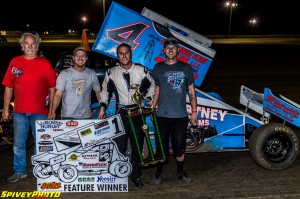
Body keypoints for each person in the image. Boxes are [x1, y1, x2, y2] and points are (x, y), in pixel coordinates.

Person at [2, 32, 56, 183]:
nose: (30, 46)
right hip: (19, 112)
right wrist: (6, 109)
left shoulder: (45, 64)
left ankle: (41, 171)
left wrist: (52, 110)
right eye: (27, 43)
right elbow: (8, 87)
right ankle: (19, 171)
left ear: (37, 46)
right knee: (19, 144)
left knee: (42, 143)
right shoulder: (15, 62)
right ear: (22, 46)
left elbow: (52, 88)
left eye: (33, 44)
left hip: (40, 112)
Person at [99, 43, 155, 187]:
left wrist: (147, 100)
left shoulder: (141, 70)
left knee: (137, 145)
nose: (124, 56)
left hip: (137, 111)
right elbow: (105, 91)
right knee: (120, 145)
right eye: (121, 53)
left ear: (131, 54)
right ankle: (120, 174)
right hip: (121, 113)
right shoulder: (111, 72)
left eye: (127, 53)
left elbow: (153, 86)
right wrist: (102, 107)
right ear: (117, 56)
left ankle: (136, 175)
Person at [151, 37, 198, 183]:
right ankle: (159, 172)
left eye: (173, 48)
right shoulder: (158, 68)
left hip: (180, 116)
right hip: (162, 116)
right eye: (167, 48)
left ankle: (180, 172)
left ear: (178, 50)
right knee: (161, 147)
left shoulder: (186, 68)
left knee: (180, 146)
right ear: (164, 50)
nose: (170, 50)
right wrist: (153, 108)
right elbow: (156, 90)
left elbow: (191, 92)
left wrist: (194, 112)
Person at [50, 47, 101, 120]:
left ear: (86, 58)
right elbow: (58, 94)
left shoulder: (91, 74)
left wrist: (102, 109)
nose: (80, 58)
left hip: (85, 116)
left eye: (83, 56)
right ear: (73, 58)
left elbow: (98, 92)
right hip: (67, 116)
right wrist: (53, 111)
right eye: (77, 55)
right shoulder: (64, 74)